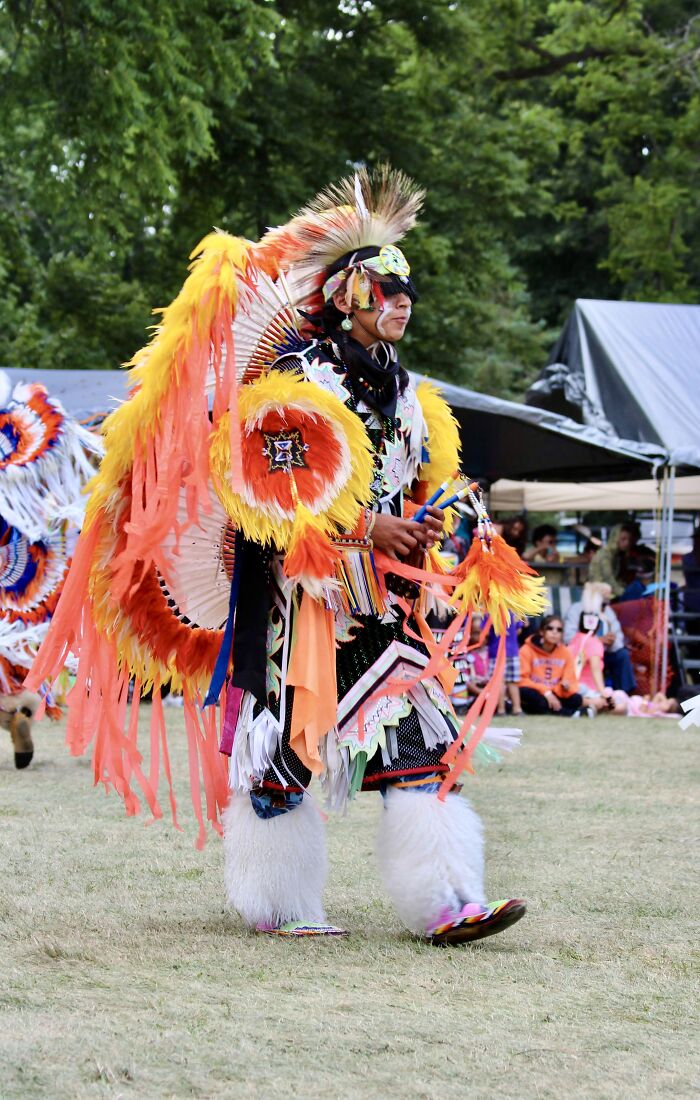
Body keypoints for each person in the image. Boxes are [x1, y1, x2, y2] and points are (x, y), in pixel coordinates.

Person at [27, 168, 547, 946]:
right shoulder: (298, 379)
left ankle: (446, 901)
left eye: (409, 291)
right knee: (287, 752)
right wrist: (369, 530)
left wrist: (439, 527)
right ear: (346, 294)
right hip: (299, 603)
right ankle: (279, 904)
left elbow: (411, 484)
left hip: (380, 604)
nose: (402, 301)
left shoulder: (407, 396)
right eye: (386, 287)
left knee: (419, 740)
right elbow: (268, 489)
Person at [563, 582, 637, 693]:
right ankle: (599, 693)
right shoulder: (576, 610)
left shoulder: (608, 612)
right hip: (582, 655)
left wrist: (612, 641)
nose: (606, 605)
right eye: (603, 602)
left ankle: (623, 693)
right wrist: (595, 641)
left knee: (622, 655)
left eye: (607, 602)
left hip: (605, 653)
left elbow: (619, 639)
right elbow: (568, 638)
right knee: (594, 658)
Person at [519, 615, 584, 716]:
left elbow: (570, 680)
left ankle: (555, 710)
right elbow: (522, 680)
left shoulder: (565, 652)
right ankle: (566, 712)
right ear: (541, 632)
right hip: (537, 691)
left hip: (555, 691)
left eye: (559, 630)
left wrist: (564, 685)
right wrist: (546, 692)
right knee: (531, 697)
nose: (555, 632)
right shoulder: (526, 649)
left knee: (576, 699)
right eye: (550, 628)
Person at [487, 614, 522, 715]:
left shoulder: (490, 612)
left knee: (498, 682)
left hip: (496, 652)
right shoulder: (513, 611)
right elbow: (519, 629)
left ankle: (501, 709)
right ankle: (517, 708)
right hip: (512, 651)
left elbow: (485, 631)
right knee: (513, 682)